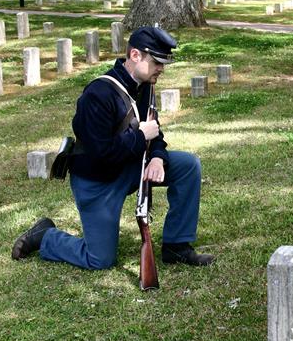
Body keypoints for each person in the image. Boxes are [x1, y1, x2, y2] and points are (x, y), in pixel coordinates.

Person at [12, 26, 215, 270]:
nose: (162, 68)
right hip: (97, 181)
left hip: (129, 167)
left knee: (187, 166)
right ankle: (46, 236)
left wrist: (158, 157)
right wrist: (141, 137)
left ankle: (177, 246)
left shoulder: (145, 85)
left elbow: (153, 131)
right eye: (157, 62)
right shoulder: (98, 94)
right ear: (135, 56)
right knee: (99, 259)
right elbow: (102, 154)